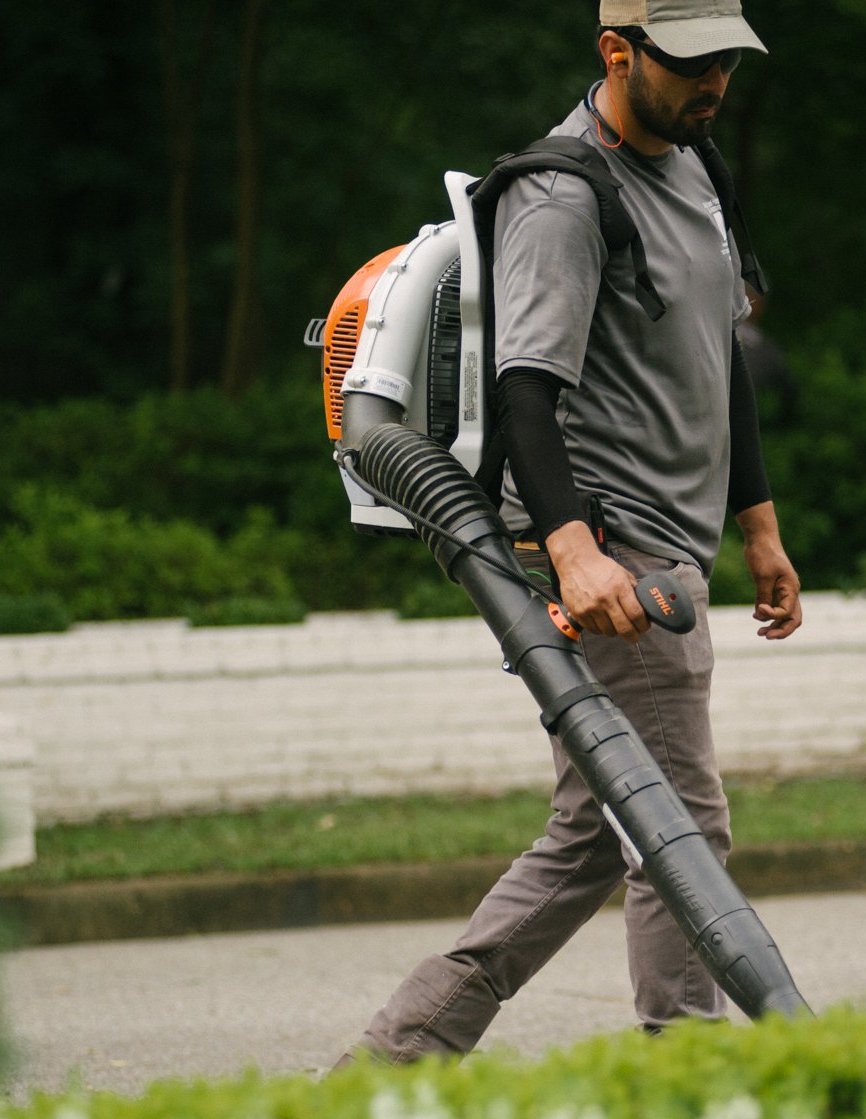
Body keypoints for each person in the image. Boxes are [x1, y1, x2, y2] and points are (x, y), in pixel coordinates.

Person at [338, 0, 801, 1065]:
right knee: (681, 835)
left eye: (726, 60)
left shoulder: (696, 164)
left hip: (672, 544)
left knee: (595, 836)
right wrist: (576, 547)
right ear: (617, 52)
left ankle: (393, 1060)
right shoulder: (562, 194)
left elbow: (719, 351)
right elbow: (526, 390)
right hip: (617, 558)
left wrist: (760, 526)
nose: (712, 82)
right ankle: (688, 1086)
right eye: (689, 63)